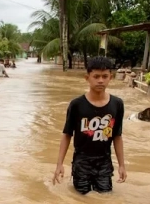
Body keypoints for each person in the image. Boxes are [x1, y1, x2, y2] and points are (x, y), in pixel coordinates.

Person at [53, 56, 126, 194]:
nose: (100, 80)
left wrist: (122, 165)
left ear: (111, 77)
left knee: (105, 197)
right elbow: (67, 134)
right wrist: (59, 164)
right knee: (81, 198)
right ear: (87, 78)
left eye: (105, 76)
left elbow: (117, 136)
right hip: (82, 161)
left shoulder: (117, 104)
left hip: (104, 161)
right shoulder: (77, 105)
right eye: (96, 76)